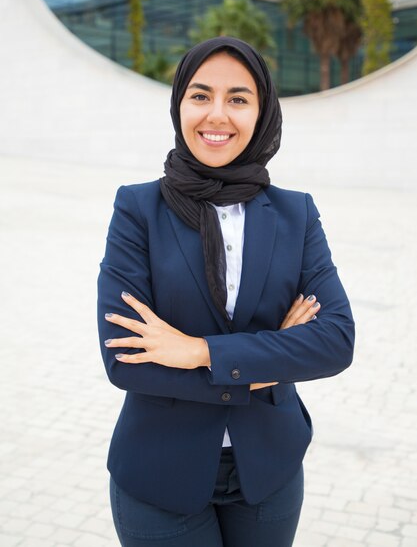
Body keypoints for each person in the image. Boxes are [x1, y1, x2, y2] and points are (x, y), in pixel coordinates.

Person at [97, 36, 354, 547]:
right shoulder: (138, 210)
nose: (217, 114)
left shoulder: (295, 213)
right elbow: (125, 359)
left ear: (262, 112)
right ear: (179, 105)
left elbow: (335, 340)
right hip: (159, 475)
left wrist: (195, 352)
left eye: (238, 98)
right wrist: (263, 367)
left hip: (268, 473)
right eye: (200, 95)